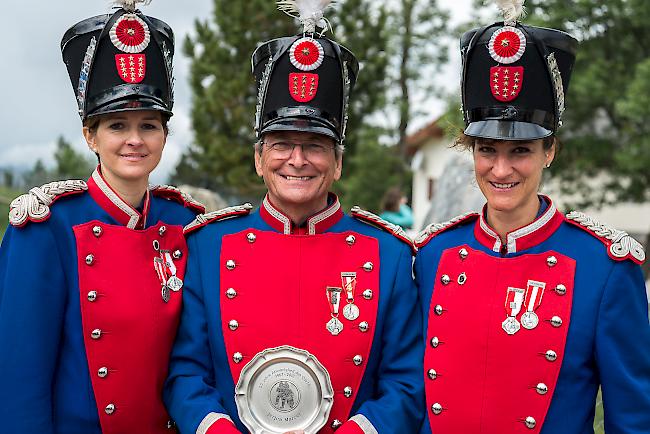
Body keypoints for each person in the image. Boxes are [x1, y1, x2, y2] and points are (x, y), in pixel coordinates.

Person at [163, 2, 423, 433]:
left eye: (315, 145)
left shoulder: (390, 255)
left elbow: (406, 382)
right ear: (259, 159)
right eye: (281, 143)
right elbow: (185, 371)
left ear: (337, 163)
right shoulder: (208, 246)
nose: (297, 160)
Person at [415, 1, 650, 433]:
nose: (501, 170)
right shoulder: (432, 255)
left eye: (520, 151)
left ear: (550, 151)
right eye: (487, 150)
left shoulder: (605, 267)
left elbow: (633, 418)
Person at [0, 1, 204, 432]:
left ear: (165, 135)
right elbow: (20, 379)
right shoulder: (46, 227)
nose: (134, 139)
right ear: (89, 135)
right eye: (117, 125)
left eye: (149, 125)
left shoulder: (184, 223)